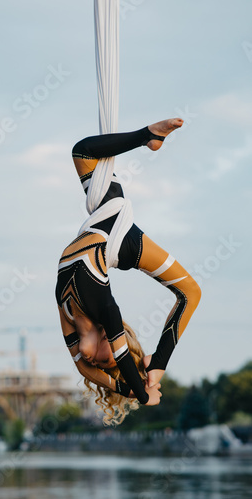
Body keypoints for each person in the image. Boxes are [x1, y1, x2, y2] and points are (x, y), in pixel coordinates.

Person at [55, 119, 201, 425]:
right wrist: (147, 383)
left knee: (82, 153)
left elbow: (83, 368)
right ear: (112, 335)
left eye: (100, 366)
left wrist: (124, 387)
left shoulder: (69, 313)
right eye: (108, 360)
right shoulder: (103, 307)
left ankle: (149, 137)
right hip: (122, 241)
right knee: (191, 292)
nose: (97, 361)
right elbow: (121, 355)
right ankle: (149, 136)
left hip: (103, 221)